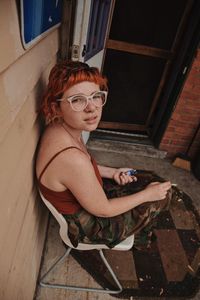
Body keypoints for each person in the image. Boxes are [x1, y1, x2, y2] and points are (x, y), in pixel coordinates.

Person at [36, 60, 172, 249]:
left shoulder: (61, 127)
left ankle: (141, 225)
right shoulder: (70, 157)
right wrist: (146, 195)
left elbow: (76, 173)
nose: (91, 107)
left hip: (88, 196)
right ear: (56, 107)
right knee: (163, 195)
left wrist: (112, 172)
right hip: (91, 227)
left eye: (96, 96)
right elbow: (104, 210)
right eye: (77, 100)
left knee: (148, 177)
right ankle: (141, 236)